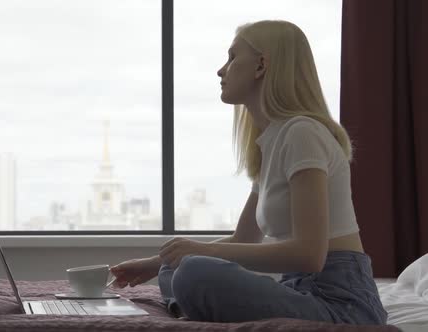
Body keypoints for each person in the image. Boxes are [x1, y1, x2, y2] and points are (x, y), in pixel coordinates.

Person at [109, 20, 388, 325]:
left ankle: (191, 306)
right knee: (174, 268)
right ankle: (190, 306)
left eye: (232, 57)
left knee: (193, 271)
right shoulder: (272, 141)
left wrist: (199, 251)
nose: (221, 70)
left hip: (340, 303)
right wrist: (155, 262)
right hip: (298, 287)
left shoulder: (302, 133)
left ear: (260, 66)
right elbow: (244, 238)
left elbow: (310, 255)